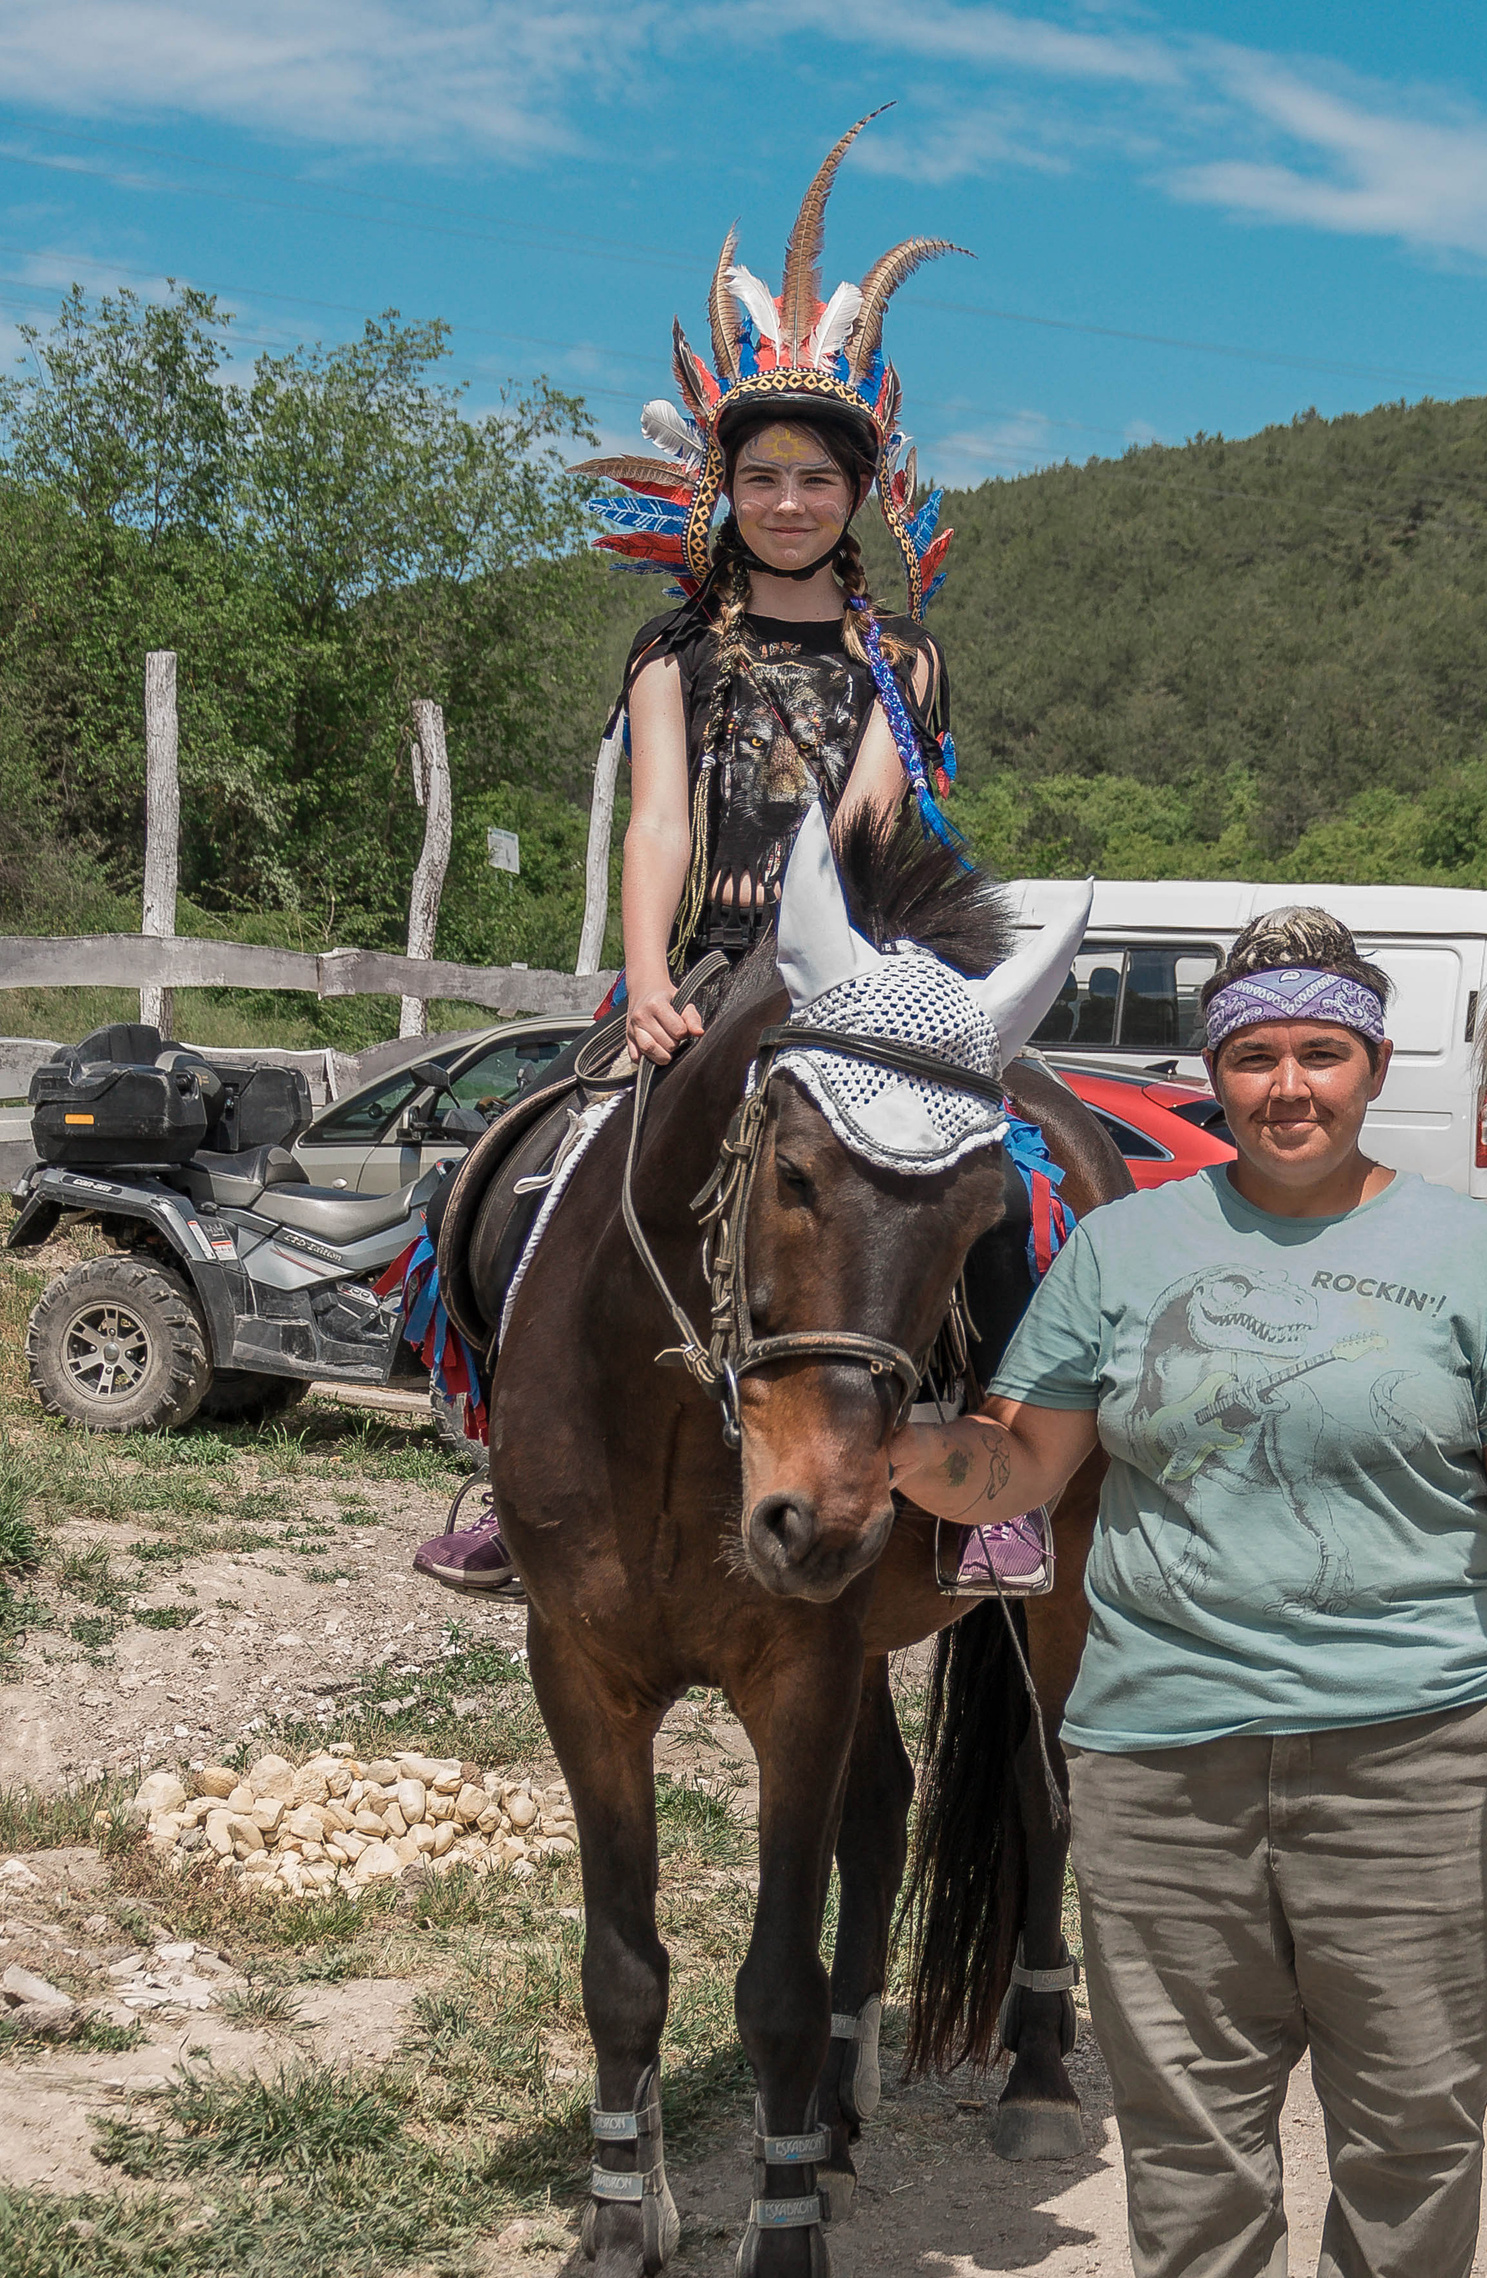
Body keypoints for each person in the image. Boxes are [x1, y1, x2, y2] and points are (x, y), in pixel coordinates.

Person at [886, 907, 1487, 2278]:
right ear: (1216, 1072)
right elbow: (1017, 1473)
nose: (1289, 1084)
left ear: (1374, 1063)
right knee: (1187, 2081)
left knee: (1417, 2073)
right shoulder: (1122, 1250)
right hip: (1162, 1737)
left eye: (1321, 1052)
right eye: (1257, 1055)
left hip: (1427, 1734)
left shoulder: (1475, 1249)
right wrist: (870, 1442)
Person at [416, 119, 1046, 1592]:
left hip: (873, 969)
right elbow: (659, 825)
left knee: (1005, 1187)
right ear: (728, 490)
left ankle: (1000, 1479)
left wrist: (823, 977)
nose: (788, 501)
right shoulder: (675, 650)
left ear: (858, 497)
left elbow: (861, 829)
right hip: (705, 963)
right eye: (763, 476)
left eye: (817, 481)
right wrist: (643, 978)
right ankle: (522, 1458)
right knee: (519, 1167)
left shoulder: (905, 658)